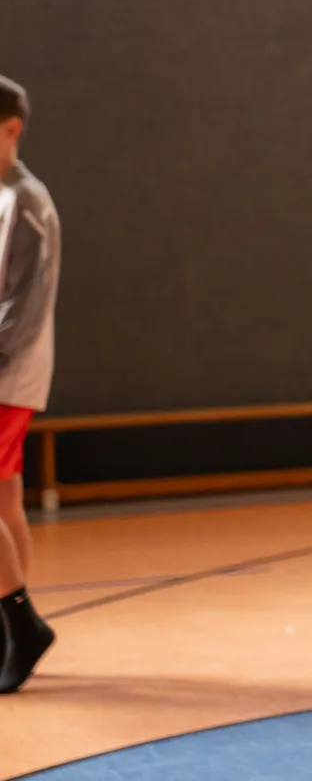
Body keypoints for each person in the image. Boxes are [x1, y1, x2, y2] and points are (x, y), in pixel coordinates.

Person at [0, 75, 60, 694]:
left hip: (5, 376)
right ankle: (11, 626)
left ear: (11, 129)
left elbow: (25, 306)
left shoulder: (27, 202)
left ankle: (23, 625)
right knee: (4, 500)